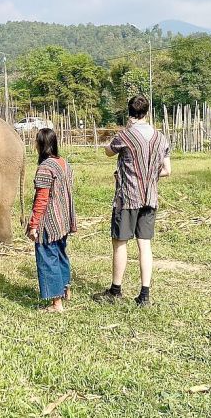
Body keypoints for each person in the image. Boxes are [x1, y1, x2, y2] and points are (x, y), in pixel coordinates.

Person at [93, 95, 171, 308]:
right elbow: (167, 170)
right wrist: (149, 176)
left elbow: (108, 151)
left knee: (120, 243)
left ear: (129, 112)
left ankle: (115, 290)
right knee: (144, 245)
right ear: (147, 112)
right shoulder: (160, 138)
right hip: (150, 198)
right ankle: (144, 294)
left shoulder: (125, 136)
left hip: (128, 198)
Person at [26, 128, 76, 313]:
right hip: (63, 219)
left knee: (48, 259)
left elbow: (42, 200)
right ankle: (65, 289)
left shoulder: (45, 168)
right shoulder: (64, 163)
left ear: (41, 144)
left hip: (49, 221)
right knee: (61, 254)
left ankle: (56, 303)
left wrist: (33, 225)